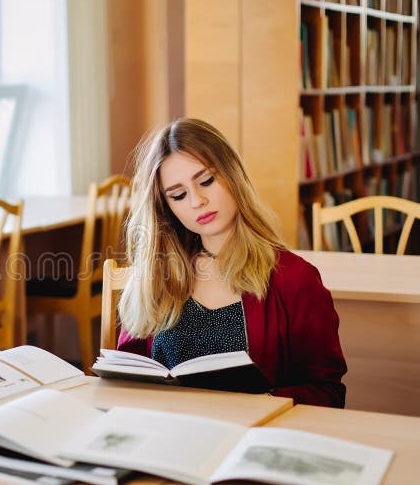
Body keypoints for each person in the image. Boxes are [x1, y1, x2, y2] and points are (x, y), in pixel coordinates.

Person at [117, 117, 346, 408]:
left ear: (232, 175)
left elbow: (327, 392)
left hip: (253, 438)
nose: (196, 201)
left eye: (206, 181)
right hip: (171, 437)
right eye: (178, 195)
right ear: (166, 207)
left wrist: (260, 404)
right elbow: (127, 374)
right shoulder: (156, 276)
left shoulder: (295, 278)